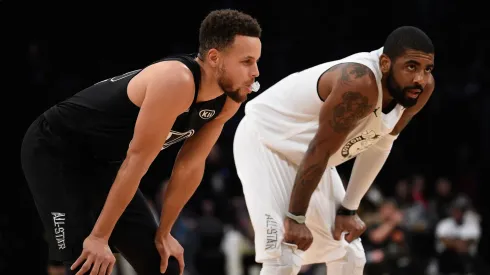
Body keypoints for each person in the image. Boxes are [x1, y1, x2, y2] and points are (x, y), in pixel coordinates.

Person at [21, 9, 261, 275]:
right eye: (247, 61)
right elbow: (137, 160)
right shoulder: (176, 80)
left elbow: (189, 166)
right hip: (55, 148)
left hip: (103, 163)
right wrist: (100, 237)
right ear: (215, 58)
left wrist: (165, 232)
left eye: (257, 62)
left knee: (163, 264)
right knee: (84, 261)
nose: (255, 72)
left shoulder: (228, 101)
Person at [233, 26, 435, 275]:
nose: (420, 78)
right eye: (411, 67)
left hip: (312, 157)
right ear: (384, 63)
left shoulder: (420, 90)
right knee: (284, 255)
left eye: (427, 69)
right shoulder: (359, 82)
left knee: (349, 253)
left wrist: (349, 209)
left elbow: (381, 143)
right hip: (265, 141)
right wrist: (296, 217)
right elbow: (319, 149)